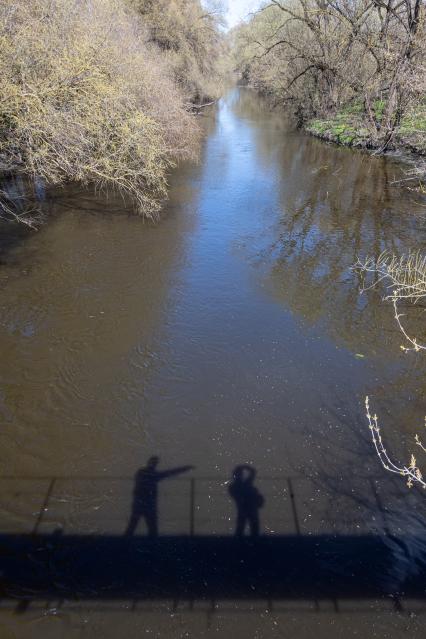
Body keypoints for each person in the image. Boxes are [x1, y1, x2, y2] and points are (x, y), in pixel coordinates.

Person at [125, 456, 194, 536]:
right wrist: (185, 469)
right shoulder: (152, 474)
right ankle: (151, 545)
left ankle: (124, 544)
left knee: (134, 525)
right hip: (148, 503)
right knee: (151, 527)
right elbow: (169, 473)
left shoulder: (141, 473)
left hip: (139, 503)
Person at [228, 464, 264, 537]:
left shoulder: (235, 486)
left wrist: (242, 467)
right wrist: (245, 467)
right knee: (250, 527)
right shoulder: (243, 484)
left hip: (245, 508)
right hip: (248, 508)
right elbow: (253, 472)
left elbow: (253, 472)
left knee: (245, 527)